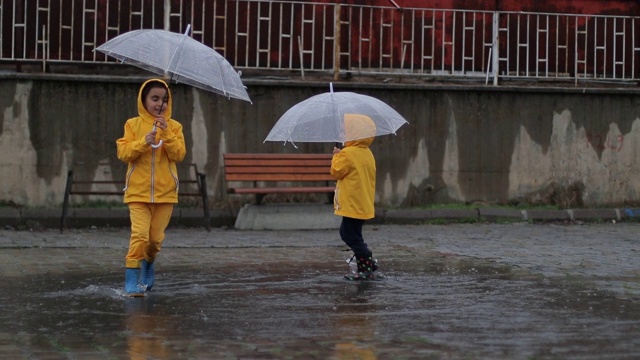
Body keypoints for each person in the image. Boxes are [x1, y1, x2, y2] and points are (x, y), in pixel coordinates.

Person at [116, 78, 186, 296]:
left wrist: (166, 134)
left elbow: (179, 154)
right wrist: (143, 142)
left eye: (164, 100)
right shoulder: (132, 125)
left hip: (165, 195)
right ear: (143, 100)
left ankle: (148, 263)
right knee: (140, 235)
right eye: (154, 99)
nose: (159, 104)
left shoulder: (174, 126)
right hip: (138, 193)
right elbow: (124, 153)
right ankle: (131, 279)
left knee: (154, 240)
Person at [330, 113, 379, 280]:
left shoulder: (348, 154)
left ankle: (366, 265)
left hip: (352, 203)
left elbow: (336, 172)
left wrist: (337, 155)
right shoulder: (367, 153)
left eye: (346, 131)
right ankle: (366, 264)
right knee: (354, 234)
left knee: (349, 235)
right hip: (363, 202)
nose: (344, 134)